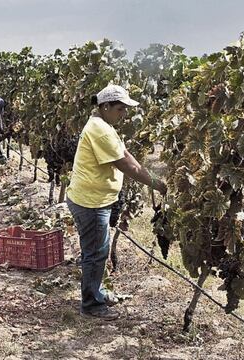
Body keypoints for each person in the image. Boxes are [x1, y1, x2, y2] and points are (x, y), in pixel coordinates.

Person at [66, 84, 167, 320]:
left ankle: (96, 293)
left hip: (93, 199)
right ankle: (91, 305)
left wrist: (151, 175)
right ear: (105, 106)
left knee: (96, 251)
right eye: (121, 109)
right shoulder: (100, 130)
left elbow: (125, 153)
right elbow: (126, 165)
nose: (125, 114)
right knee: (95, 253)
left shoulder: (104, 125)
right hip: (90, 202)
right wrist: (156, 183)